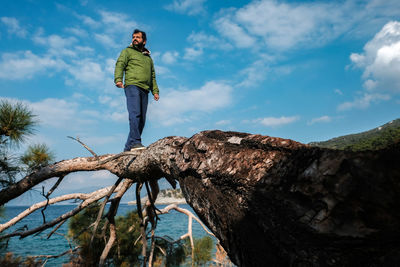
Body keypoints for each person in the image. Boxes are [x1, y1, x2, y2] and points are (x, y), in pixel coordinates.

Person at [114, 29, 160, 151]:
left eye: (138, 37)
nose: (135, 39)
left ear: (144, 41)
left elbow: (152, 75)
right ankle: (135, 142)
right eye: (133, 37)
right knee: (135, 114)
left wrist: (155, 91)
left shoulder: (148, 58)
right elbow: (120, 64)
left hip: (145, 89)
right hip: (132, 85)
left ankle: (128, 148)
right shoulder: (127, 52)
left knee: (142, 121)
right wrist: (118, 79)